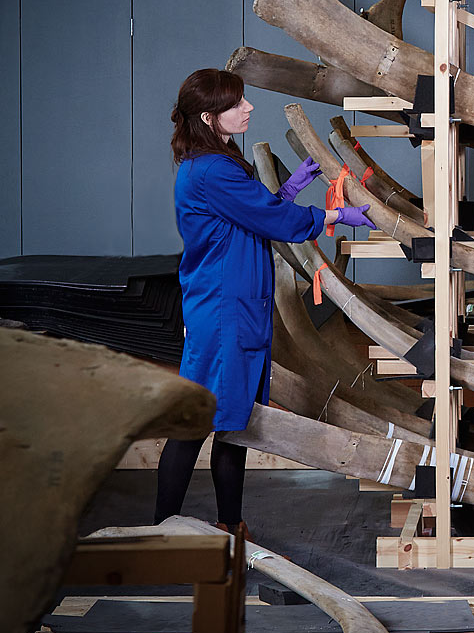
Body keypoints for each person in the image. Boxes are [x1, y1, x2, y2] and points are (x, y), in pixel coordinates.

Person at [159, 68, 375, 539]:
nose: (248, 107)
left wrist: (289, 191)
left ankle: (230, 524)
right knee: (196, 423)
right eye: (236, 103)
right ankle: (160, 532)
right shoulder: (212, 169)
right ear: (209, 117)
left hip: (233, 309)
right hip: (225, 314)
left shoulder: (214, 161)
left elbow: (248, 216)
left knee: (235, 421)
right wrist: (337, 214)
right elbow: (272, 219)